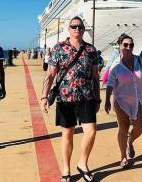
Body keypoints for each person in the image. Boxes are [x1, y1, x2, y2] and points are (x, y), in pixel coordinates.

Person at [40, 16, 100, 182]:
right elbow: (51, 73)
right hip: (65, 96)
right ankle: (66, 169)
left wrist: (98, 98)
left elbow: (95, 76)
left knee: (91, 132)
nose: (77, 29)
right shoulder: (58, 48)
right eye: (74, 26)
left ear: (83, 29)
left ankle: (82, 163)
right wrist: (44, 96)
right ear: (69, 29)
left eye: (80, 26)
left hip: (87, 96)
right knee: (67, 134)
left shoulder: (91, 50)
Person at [105, 34, 142, 168]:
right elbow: (110, 83)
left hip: (137, 99)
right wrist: (107, 100)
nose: (128, 47)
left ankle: (130, 142)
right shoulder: (116, 64)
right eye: (125, 45)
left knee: (139, 127)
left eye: (131, 45)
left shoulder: (138, 60)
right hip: (121, 100)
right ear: (120, 46)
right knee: (123, 128)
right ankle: (123, 156)